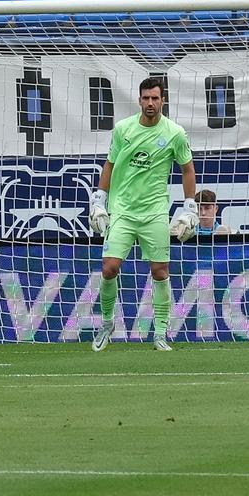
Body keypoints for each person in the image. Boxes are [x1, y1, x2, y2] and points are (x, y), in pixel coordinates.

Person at [88, 75, 196, 353]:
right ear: (139, 100)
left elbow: (187, 169)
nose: (150, 103)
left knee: (160, 271)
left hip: (155, 213)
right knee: (109, 267)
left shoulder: (175, 133)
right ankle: (108, 324)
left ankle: (160, 333)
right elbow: (109, 165)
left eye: (155, 98)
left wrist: (190, 206)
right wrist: (99, 200)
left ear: (163, 100)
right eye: (146, 98)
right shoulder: (123, 129)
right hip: (123, 210)